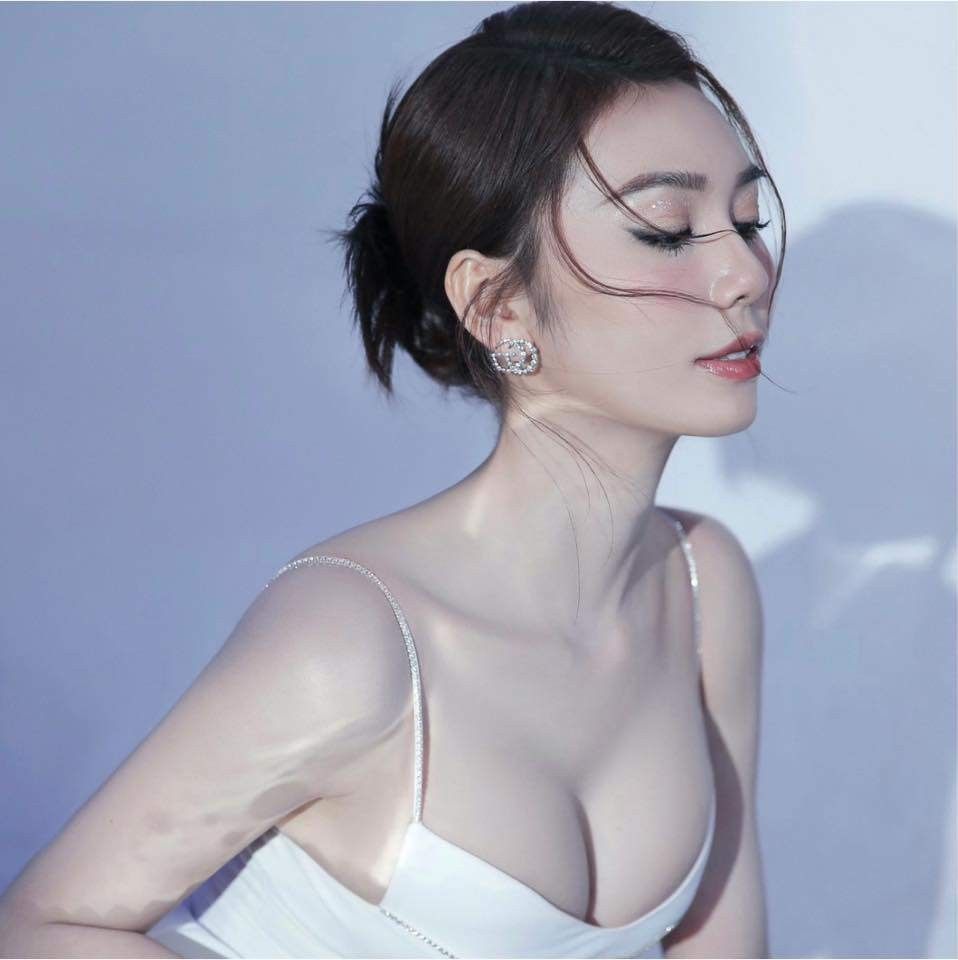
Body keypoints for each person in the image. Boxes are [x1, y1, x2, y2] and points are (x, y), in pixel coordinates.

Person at [0, 2, 778, 956]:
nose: (745, 273)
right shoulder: (352, 639)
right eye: (668, 230)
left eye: (748, 219)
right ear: (496, 304)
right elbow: (41, 927)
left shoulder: (702, 585)